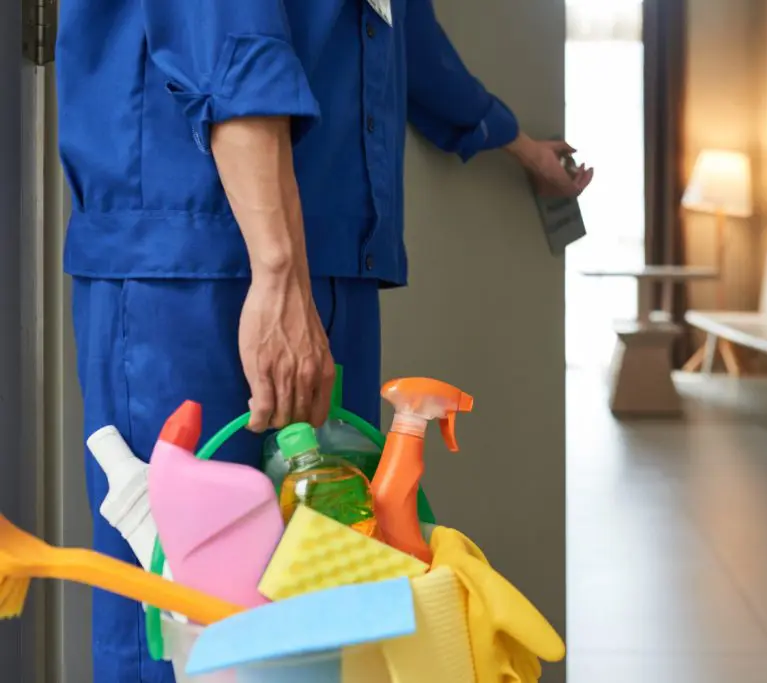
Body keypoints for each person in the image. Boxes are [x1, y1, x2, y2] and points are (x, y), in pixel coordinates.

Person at [57, 0, 593, 680]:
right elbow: (230, 30)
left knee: (324, 606)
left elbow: (399, 30)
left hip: (329, 257)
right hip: (195, 262)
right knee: (180, 616)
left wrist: (513, 140)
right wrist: (277, 270)